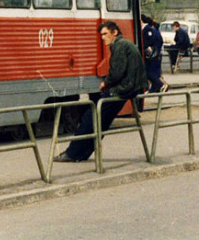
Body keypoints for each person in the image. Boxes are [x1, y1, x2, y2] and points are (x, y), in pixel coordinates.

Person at [55, 20, 147, 162]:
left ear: (114, 32)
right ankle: (81, 153)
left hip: (123, 89)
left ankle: (73, 153)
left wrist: (106, 83)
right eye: (101, 35)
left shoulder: (120, 46)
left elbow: (117, 72)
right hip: (130, 88)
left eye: (105, 34)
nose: (103, 37)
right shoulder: (124, 44)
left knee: (91, 116)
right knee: (101, 120)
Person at [140, 14, 168, 93]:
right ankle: (154, 87)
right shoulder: (146, 29)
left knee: (148, 72)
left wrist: (146, 46)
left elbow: (150, 41)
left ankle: (160, 84)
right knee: (151, 72)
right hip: (150, 54)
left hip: (151, 55)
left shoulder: (148, 29)